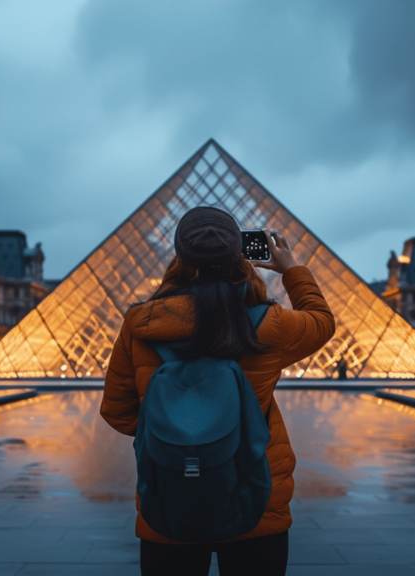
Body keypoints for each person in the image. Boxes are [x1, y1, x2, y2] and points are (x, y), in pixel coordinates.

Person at [101, 207, 335, 576]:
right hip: (258, 500)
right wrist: (291, 269)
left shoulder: (140, 324)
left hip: (169, 498)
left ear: (180, 256)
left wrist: (177, 434)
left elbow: (117, 411)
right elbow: (322, 322)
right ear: (238, 256)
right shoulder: (269, 324)